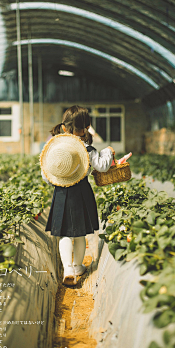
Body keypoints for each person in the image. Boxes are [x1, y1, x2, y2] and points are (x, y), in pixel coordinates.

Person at [40, 105, 115, 286]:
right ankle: (78, 266)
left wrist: (60, 179)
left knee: (64, 233)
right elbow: (103, 166)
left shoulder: (56, 148)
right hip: (81, 192)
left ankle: (68, 269)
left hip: (60, 193)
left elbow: (46, 175)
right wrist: (109, 152)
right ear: (86, 127)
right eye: (84, 127)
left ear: (65, 128)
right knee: (80, 233)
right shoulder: (86, 149)